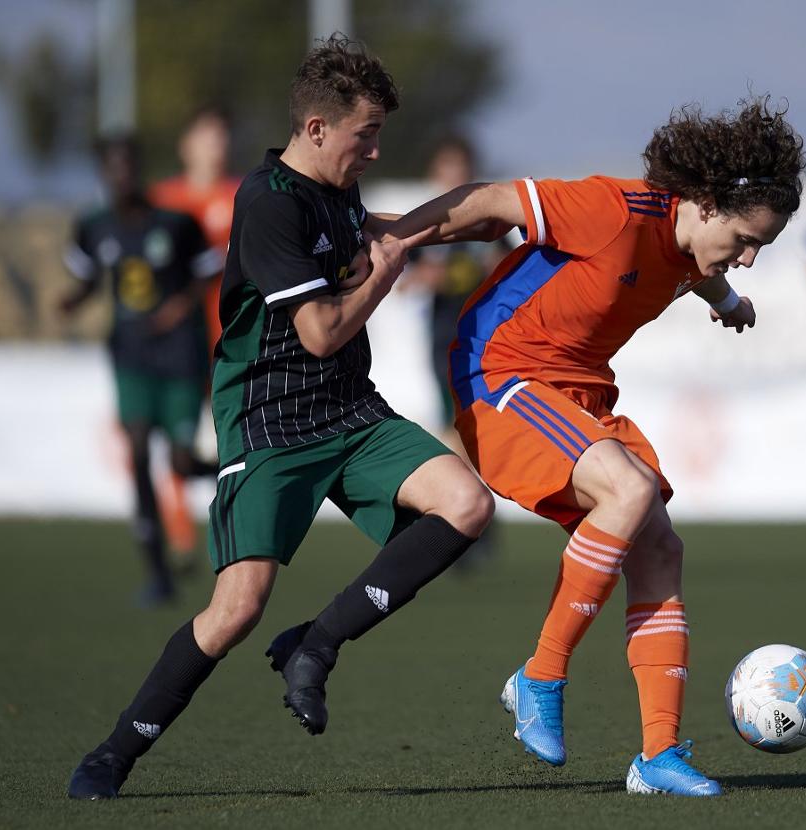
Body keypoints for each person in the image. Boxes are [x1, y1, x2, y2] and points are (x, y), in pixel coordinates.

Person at [67, 34, 493, 800]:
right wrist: (388, 275)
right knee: (235, 609)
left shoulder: (335, 189)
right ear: (319, 129)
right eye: (366, 137)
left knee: (467, 502)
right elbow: (323, 330)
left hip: (349, 409)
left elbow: (380, 231)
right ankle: (114, 751)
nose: (373, 152)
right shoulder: (265, 203)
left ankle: (318, 642)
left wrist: (490, 215)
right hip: (269, 421)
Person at [386, 98, 806, 796]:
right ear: (702, 203)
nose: (751, 257)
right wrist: (393, 236)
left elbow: (694, 265)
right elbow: (492, 201)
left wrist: (725, 297)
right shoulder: (614, 210)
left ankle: (659, 756)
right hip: (500, 373)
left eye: (761, 245)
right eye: (744, 240)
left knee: (660, 547)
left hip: (579, 397)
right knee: (630, 490)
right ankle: (540, 677)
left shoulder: (691, 242)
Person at [61, 135, 223, 605]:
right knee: (135, 452)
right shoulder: (93, 226)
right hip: (130, 356)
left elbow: (207, 272)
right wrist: (73, 300)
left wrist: (179, 307)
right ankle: (157, 571)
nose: (120, 176)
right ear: (103, 174)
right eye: (111, 168)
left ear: (138, 169)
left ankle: (222, 472)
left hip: (179, 358)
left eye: (127, 166)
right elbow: (90, 276)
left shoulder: (175, 224)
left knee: (177, 461)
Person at [405, 135, 511, 567]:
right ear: (437, 174)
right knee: (455, 426)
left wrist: (478, 273)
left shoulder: (487, 221)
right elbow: (408, 277)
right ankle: (465, 518)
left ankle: (466, 519)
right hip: (441, 336)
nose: (454, 176)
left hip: (480, 339)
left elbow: (507, 269)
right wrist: (438, 276)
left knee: (470, 428)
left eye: (460, 167)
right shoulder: (426, 223)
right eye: (446, 167)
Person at [149, 106, 243, 568]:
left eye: (220, 136)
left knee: (235, 438)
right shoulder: (163, 201)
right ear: (186, 145)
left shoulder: (244, 194)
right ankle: (180, 536)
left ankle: (230, 530)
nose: (215, 146)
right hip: (179, 342)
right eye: (205, 136)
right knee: (176, 438)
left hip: (234, 337)